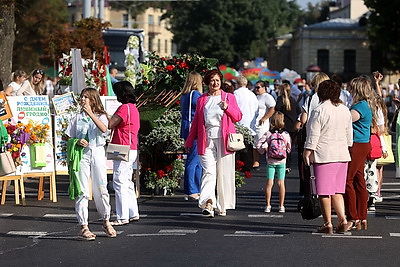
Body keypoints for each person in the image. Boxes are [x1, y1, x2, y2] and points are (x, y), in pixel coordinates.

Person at [185, 69, 242, 217]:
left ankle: (222, 205)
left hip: (224, 139)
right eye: (212, 81)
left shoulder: (228, 97)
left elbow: (238, 116)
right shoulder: (202, 99)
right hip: (206, 140)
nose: (215, 83)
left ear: (221, 81)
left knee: (224, 173)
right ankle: (208, 203)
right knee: (209, 171)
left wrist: (227, 108)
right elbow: (197, 121)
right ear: (207, 83)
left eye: (217, 80)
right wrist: (189, 141)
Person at [65, 87, 116, 240]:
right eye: (82, 97)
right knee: (82, 191)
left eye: (86, 97)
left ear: (93, 99)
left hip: (98, 152)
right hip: (82, 155)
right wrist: (76, 141)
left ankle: (106, 221)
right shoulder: (76, 117)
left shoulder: (102, 116)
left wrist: (90, 114)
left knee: (101, 189)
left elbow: (104, 129)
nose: (83, 99)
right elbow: (67, 136)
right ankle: (84, 226)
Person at [303, 80, 353, 234]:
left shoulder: (319, 110)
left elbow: (313, 134)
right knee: (338, 191)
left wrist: (307, 151)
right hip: (342, 154)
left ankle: (327, 223)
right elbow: (349, 135)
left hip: (324, 154)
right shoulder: (345, 110)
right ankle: (343, 219)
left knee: (324, 191)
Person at [344, 76, 377, 231]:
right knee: (358, 180)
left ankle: (353, 216)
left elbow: (346, 120)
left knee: (347, 180)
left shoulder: (359, 107)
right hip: (362, 143)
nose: (349, 91)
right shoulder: (365, 105)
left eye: (351, 89)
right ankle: (361, 217)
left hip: (357, 144)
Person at [109, 81, 140, 225]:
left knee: (119, 181)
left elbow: (110, 124)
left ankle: (122, 216)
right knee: (127, 181)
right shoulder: (133, 108)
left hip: (122, 147)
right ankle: (132, 212)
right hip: (132, 146)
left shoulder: (123, 108)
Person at [298, 72, 330, 196]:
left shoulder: (311, 98)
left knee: (310, 166)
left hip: (311, 135)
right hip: (327, 135)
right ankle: (326, 193)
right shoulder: (333, 99)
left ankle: (311, 193)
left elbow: (303, 119)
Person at [256, 111, 291, 213]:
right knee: (281, 183)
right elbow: (289, 147)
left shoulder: (268, 134)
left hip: (271, 161)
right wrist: (284, 153)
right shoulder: (286, 134)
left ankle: (268, 205)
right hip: (282, 161)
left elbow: (258, 144)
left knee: (269, 183)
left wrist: (264, 151)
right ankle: (281, 206)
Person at [180, 71, 203, 200]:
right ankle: (191, 190)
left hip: (186, 128)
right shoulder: (195, 95)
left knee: (197, 161)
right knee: (193, 160)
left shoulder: (185, 95)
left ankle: (196, 188)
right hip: (193, 130)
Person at [274, 83, 301, 173]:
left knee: (281, 146)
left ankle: (281, 164)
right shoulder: (293, 100)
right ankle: (288, 166)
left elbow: (277, 109)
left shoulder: (280, 99)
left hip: (284, 126)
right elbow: (299, 111)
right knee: (289, 147)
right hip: (292, 126)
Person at [234, 75, 258, 171]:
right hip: (250, 123)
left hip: (240, 122)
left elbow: (234, 107)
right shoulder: (252, 94)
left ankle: (238, 166)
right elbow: (256, 110)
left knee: (238, 147)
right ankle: (247, 166)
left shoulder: (236, 93)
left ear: (237, 84)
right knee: (248, 147)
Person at [253, 80, 276, 169]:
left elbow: (272, 108)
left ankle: (270, 160)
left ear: (264, 88)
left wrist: (265, 118)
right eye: (255, 87)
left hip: (262, 124)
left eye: (258, 87)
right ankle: (256, 162)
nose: (256, 89)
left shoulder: (267, 96)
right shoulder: (256, 97)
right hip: (255, 123)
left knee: (264, 143)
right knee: (255, 143)